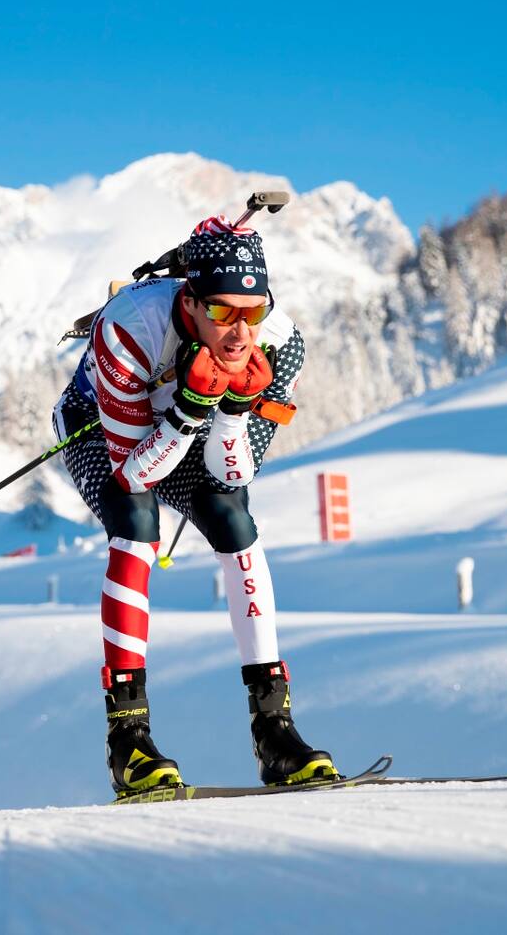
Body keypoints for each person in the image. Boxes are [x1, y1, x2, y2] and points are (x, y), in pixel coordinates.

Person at [52, 216, 337, 797]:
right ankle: (128, 742)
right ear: (191, 299)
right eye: (223, 311)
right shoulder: (130, 327)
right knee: (136, 523)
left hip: (195, 431)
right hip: (101, 427)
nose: (239, 332)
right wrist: (185, 408)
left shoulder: (279, 345)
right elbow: (134, 475)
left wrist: (227, 412)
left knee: (232, 517)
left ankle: (275, 730)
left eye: (252, 312)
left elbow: (233, 472)